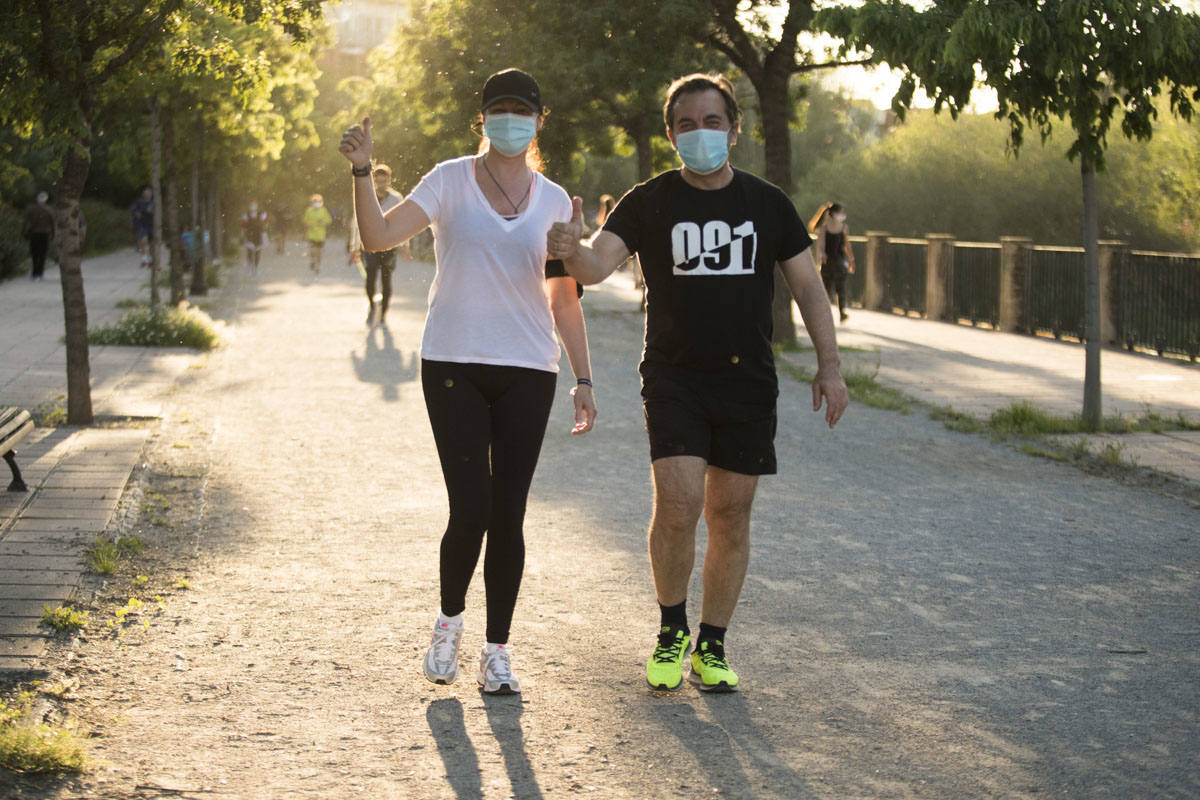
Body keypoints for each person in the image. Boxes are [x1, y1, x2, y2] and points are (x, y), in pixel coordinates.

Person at [547, 73, 848, 693]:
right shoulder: (650, 201)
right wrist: (571, 250)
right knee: (679, 506)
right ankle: (670, 629)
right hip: (674, 376)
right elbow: (597, 266)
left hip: (747, 383)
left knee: (730, 514)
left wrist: (830, 365)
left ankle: (712, 645)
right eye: (687, 125)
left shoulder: (767, 205)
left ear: (734, 130)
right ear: (671, 134)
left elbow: (809, 288)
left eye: (713, 123)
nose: (701, 134)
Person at [339, 68, 598, 696]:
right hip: (453, 362)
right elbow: (378, 237)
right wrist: (360, 173)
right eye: (499, 109)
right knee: (471, 507)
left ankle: (497, 651)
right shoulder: (449, 179)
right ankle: (449, 622)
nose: (511, 119)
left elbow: (565, 296)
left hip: (529, 369)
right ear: (481, 119)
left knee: (508, 513)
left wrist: (584, 376)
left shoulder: (557, 200)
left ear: (540, 121)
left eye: (523, 110)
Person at [349, 164, 409, 325]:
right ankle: (372, 306)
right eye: (378, 181)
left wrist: (405, 245)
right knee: (370, 279)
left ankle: (383, 314)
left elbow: (402, 221)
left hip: (390, 245)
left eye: (384, 181)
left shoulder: (396, 198)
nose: (381, 184)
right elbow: (356, 222)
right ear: (373, 181)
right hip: (370, 245)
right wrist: (355, 247)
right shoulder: (366, 196)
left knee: (386, 280)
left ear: (389, 180)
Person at [809, 202, 856, 323]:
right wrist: (821, 255)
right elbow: (821, 244)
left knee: (840, 289)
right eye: (841, 212)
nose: (843, 215)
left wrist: (851, 260)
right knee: (826, 289)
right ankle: (824, 314)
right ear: (834, 214)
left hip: (839, 262)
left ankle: (842, 313)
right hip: (827, 263)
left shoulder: (844, 228)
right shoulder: (824, 228)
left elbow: (847, 245)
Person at [22, 192, 54, 281]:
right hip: (45, 234)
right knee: (43, 254)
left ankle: (34, 273)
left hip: (34, 234)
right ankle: (40, 273)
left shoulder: (32, 210)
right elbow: (53, 224)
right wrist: (54, 235)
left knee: (34, 253)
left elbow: (27, 223)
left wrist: (24, 233)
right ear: (46, 200)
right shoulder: (49, 210)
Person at [303, 194, 333, 273]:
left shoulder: (323, 210)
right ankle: (312, 261)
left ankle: (318, 266)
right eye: (314, 201)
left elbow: (329, 220)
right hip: (311, 234)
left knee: (319, 252)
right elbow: (305, 221)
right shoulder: (309, 210)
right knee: (312, 250)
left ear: (321, 202)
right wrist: (308, 224)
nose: (316, 203)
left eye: (317, 201)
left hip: (321, 235)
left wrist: (323, 222)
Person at [240, 201, 269, 275]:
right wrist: (242, 235)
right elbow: (243, 227)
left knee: (257, 252)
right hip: (249, 235)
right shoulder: (245, 215)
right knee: (249, 251)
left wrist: (264, 232)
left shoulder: (262, 214)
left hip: (259, 235)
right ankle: (250, 267)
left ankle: (256, 268)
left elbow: (266, 224)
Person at [130, 187, 154, 268]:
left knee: (149, 244)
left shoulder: (153, 202)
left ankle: (148, 259)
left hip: (151, 225)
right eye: (146, 193)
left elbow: (152, 211)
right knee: (143, 241)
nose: (147, 195)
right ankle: (145, 259)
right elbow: (133, 210)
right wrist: (137, 214)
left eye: (149, 193)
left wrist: (151, 211)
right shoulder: (139, 202)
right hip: (142, 225)